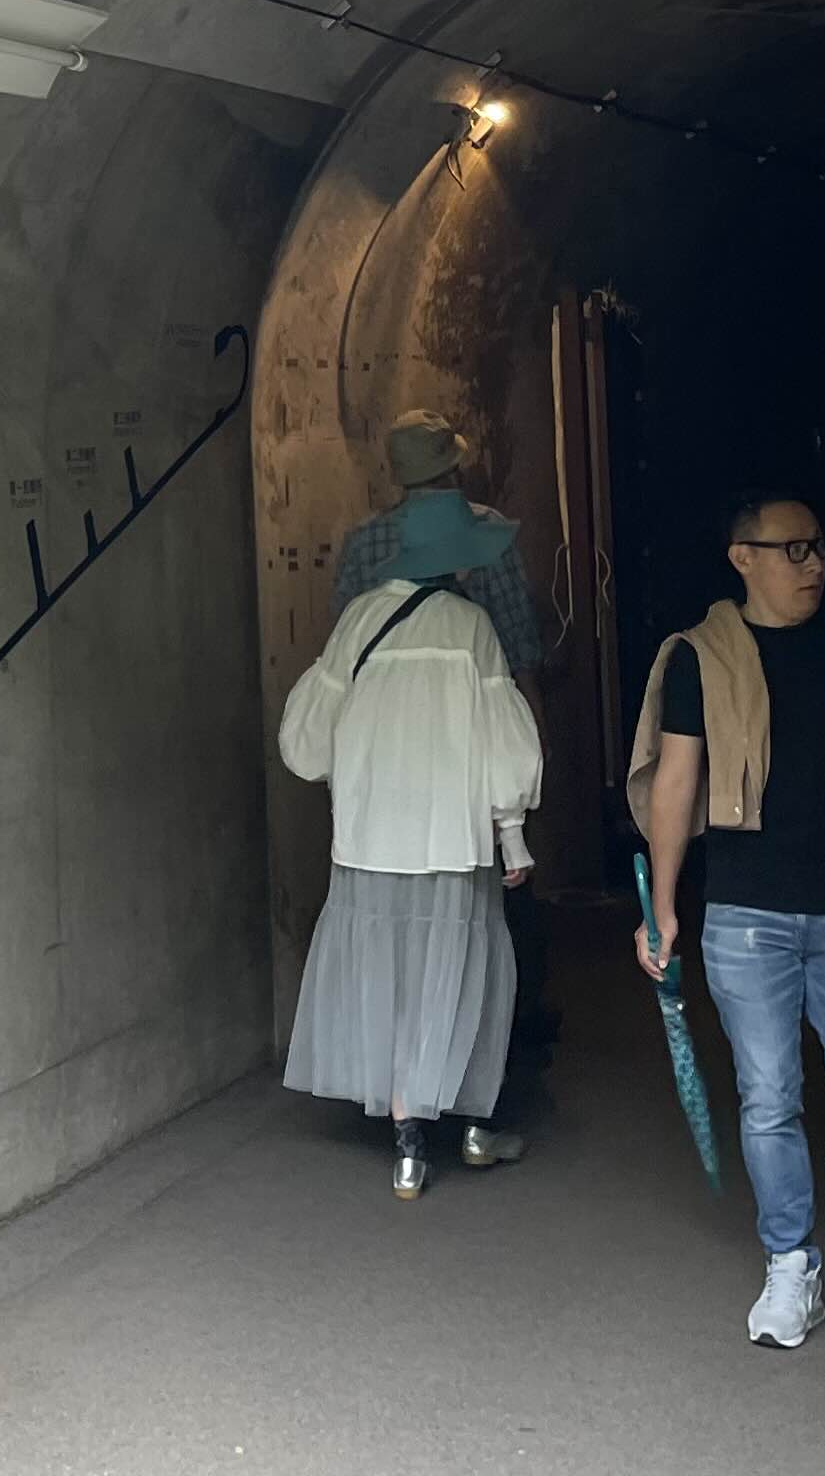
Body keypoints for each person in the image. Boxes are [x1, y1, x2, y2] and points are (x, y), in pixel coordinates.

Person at [627, 495, 825, 1349]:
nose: (814, 564)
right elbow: (676, 781)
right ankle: (790, 1261)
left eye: (820, 547)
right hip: (743, 912)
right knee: (768, 1095)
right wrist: (663, 905)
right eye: (793, 549)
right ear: (743, 557)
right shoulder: (701, 656)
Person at [280, 559, 545, 1200]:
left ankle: (407, 1149)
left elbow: (308, 743)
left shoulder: (359, 619)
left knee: (389, 977)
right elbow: (501, 740)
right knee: (463, 974)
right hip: (451, 834)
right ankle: (474, 1127)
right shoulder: (472, 624)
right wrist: (512, 834)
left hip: (370, 836)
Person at [332, 410, 548, 673]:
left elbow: (344, 642)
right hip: (472, 689)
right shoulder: (488, 532)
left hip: (383, 691)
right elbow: (519, 649)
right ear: (453, 469)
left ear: (398, 475)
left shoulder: (362, 542)